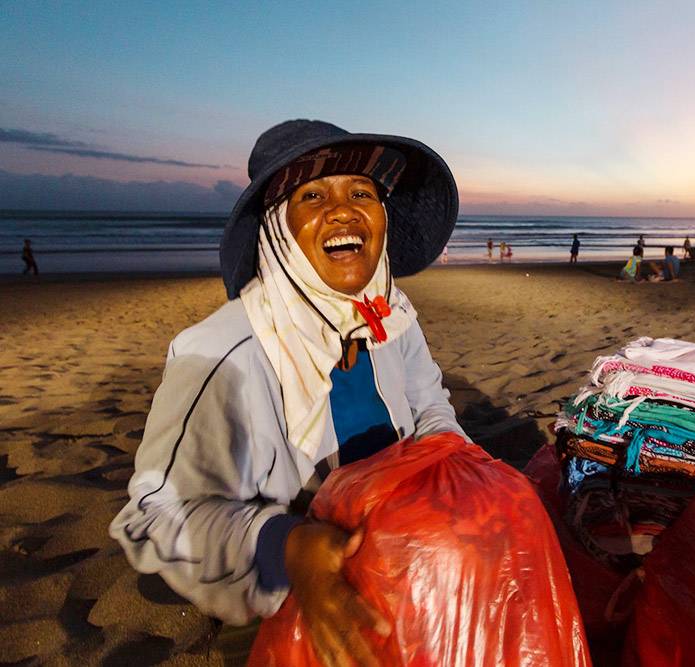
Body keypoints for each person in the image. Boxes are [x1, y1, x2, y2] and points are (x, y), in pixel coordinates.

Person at [109, 120, 467, 665]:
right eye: (313, 195)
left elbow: (430, 405)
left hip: (401, 558)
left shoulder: (393, 318)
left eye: (362, 193)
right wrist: (288, 546)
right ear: (277, 228)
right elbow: (156, 516)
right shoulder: (222, 354)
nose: (344, 210)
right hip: (287, 598)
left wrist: (462, 476)